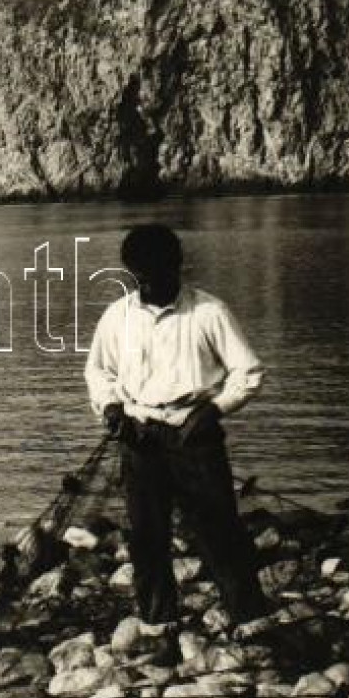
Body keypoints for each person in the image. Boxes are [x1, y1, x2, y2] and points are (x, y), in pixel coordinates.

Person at [83, 224, 270, 640]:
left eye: (157, 273)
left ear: (177, 267)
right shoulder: (118, 317)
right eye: (140, 276)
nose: (149, 283)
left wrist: (215, 409)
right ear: (131, 274)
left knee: (219, 529)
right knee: (146, 536)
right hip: (139, 435)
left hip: (194, 435)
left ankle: (250, 618)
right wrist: (112, 408)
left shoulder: (209, 312)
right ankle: (157, 623)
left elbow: (249, 372)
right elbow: (98, 371)